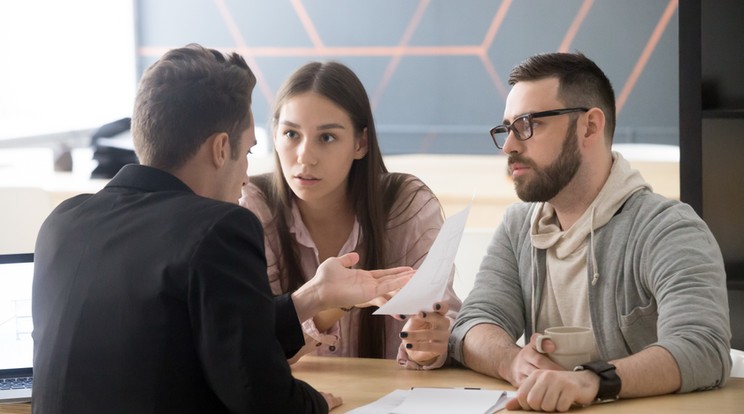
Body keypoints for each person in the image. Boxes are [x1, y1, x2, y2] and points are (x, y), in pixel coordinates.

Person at [32, 44, 413, 413]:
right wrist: (315, 403)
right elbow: (263, 398)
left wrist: (314, 295)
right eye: (246, 152)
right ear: (219, 149)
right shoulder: (218, 228)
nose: (247, 177)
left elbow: (225, 342)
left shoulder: (62, 223)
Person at [449, 52, 732, 411]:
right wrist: (514, 361)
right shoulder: (518, 226)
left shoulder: (669, 228)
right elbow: (473, 324)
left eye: (527, 124)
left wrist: (591, 380)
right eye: (507, 128)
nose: (509, 145)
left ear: (590, 127)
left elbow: (703, 349)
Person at [240, 61, 461, 369]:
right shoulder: (252, 207)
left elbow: (443, 316)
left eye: (327, 137)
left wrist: (429, 347)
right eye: (291, 134)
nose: (305, 156)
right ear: (274, 136)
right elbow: (248, 345)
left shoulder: (407, 204)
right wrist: (329, 303)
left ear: (361, 143)